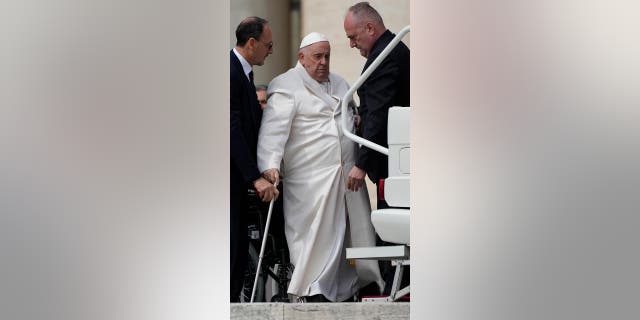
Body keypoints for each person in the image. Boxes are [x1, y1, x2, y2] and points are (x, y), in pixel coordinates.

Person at [257, 32, 383, 302]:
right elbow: (273, 131)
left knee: (350, 234)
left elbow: (352, 116)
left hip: (346, 177)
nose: (324, 62)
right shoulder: (286, 85)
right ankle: (313, 288)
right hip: (310, 181)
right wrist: (270, 165)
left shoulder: (340, 83)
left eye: (327, 56)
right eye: (317, 56)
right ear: (301, 57)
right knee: (314, 237)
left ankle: (350, 288)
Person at [343, 2, 410, 295]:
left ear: (370, 28)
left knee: (396, 235)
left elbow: (380, 112)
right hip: (396, 159)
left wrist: (361, 163)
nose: (351, 44)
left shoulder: (386, 56)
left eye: (353, 36)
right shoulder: (389, 50)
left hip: (392, 162)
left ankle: (399, 295)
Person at [230, 16, 279, 302]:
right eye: (268, 45)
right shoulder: (230, 72)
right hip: (229, 179)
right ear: (251, 43)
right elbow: (231, 129)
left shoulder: (242, 72)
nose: (270, 51)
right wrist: (254, 177)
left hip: (238, 178)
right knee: (232, 248)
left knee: (237, 249)